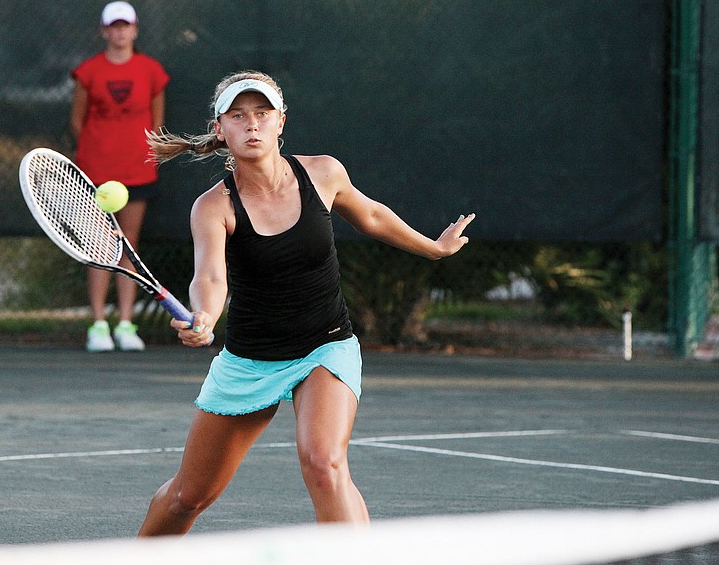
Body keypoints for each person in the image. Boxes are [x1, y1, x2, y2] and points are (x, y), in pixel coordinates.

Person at [137, 71, 475, 535]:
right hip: (250, 360)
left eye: (262, 114)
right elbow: (211, 276)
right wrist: (205, 316)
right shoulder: (213, 206)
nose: (251, 125)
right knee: (187, 497)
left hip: (325, 344)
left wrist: (434, 248)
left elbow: (371, 215)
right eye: (238, 116)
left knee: (324, 462)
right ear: (221, 129)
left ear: (281, 123)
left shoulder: (323, 172)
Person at [70, 0, 170, 352]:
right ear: (104, 31)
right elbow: (77, 121)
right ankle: (98, 325)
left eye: (125, 25)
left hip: (136, 169)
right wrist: (96, 154)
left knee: (129, 244)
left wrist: (141, 155)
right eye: (113, 26)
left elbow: (156, 122)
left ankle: (126, 324)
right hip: (94, 171)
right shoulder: (88, 72)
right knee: (99, 247)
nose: (119, 31)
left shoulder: (151, 71)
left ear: (135, 30)